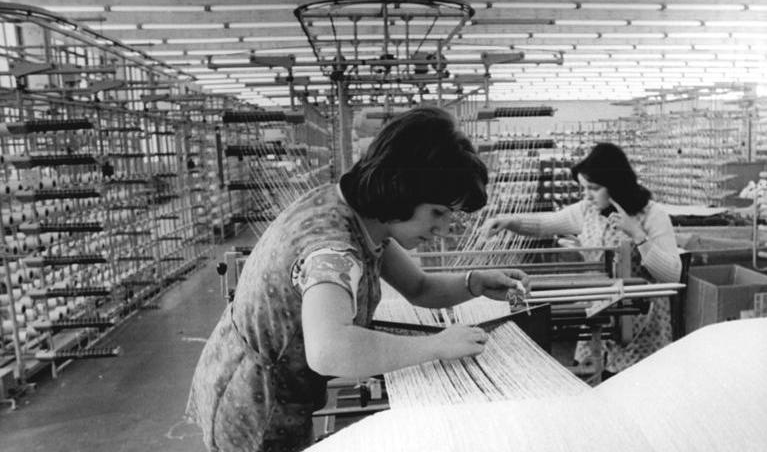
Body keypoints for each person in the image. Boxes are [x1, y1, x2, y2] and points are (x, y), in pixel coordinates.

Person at [186, 106, 529, 452]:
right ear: (402, 189)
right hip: (258, 408)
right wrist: (436, 346)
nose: (443, 230)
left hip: (262, 382)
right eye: (437, 213)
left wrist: (474, 283)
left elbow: (418, 287)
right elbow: (329, 350)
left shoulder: (360, 216)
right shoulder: (332, 251)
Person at [482, 142, 681, 376]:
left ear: (616, 185)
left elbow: (672, 275)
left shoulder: (653, 215)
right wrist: (508, 221)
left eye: (594, 188)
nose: (586, 195)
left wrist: (638, 235)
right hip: (600, 311)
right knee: (598, 381)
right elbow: (546, 224)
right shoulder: (588, 210)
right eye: (584, 188)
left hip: (642, 325)